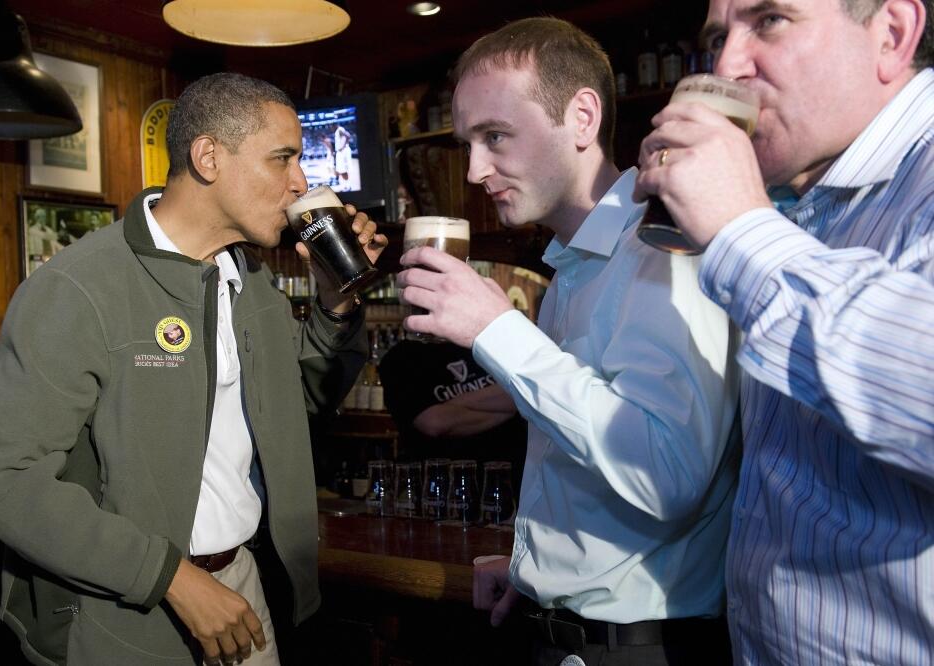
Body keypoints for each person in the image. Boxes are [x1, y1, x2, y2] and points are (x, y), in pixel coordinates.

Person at [0, 73, 385, 666]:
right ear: (209, 157)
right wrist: (172, 579)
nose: (302, 183)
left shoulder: (255, 282)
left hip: (244, 582)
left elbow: (298, 407)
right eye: (282, 159)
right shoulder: (76, 288)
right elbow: (9, 483)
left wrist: (336, 302)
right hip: (124, 607)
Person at [398, 18, 740, 665]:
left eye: (495, 136)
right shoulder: (576, 269)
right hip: (563, 629)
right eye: (468, 142)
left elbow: (668, 476)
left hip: (641, 648)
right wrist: (538, 575)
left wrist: (498, 331)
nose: (474, 170)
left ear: (582, 116)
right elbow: (585, 465)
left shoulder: (662, 249)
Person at [632, 0, 934, 663]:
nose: (728, 64)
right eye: (719, 35)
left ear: (892, 33)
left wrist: (742, 228)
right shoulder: (808, 207)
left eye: (769, 20)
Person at [378, 340, 527, 493]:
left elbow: (524, 394)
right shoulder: (402, 358)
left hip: (512, 488)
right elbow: (434, 422)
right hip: (439, 492)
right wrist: (509, 409)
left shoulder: (497, 343)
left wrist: (451, 406)